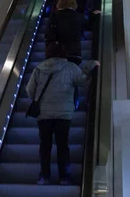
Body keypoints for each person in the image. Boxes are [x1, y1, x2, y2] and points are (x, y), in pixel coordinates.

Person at [26, 42, 98, 185]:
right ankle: (64, 177)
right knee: (62, 145)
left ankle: (44, 176)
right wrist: (90, 65)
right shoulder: (71, 67)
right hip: (64, 114)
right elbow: (83, 81)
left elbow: (29, 90)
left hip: (44, 114)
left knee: (44, 145)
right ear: (64, 53)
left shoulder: (39, 69)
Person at [45, 0, 100, 66]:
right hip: (74, 54)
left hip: (57, 54)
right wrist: (93, 15)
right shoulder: (78, 16)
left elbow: (48, 33)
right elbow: (89, 26)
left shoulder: (54, 16)